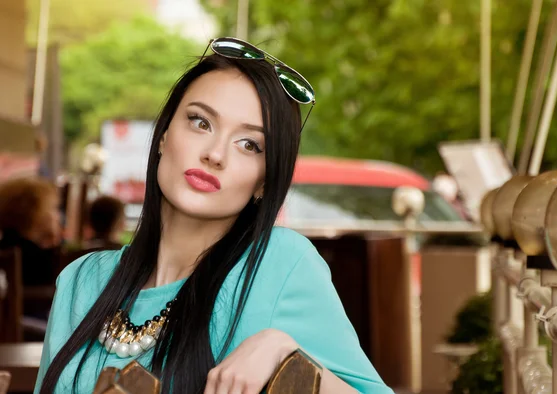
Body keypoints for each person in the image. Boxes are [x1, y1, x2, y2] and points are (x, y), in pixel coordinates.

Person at [35, 38, 393, 393]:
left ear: (264, 182)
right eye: (200, 122)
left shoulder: (279, 264)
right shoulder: (81, 281)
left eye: (250, 145)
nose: (215, 154)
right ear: (163, 135)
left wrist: (284, 351)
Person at [0, 177, 62, 286]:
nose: (58, 216)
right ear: (37, 213)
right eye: (54, 208)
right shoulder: (40, 262)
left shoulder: (5, 247)